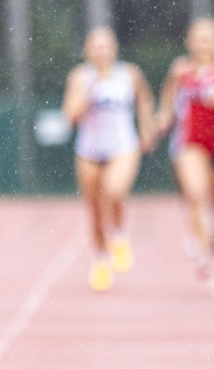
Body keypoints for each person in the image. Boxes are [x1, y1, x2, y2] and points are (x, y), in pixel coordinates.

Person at [62, 26, 154, 292]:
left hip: (122, 146)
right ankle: (101, 259)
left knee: (114, 191)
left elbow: (145, 100)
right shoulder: (80, 77)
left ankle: (120, 235)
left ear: (114, 48)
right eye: (96, 46)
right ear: (87, 51)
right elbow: (70, 116)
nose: (101, 51)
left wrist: (146, 128)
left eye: (106, 46)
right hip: (89, 150)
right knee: (93, 208)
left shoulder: (129, 74)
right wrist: (89, 91)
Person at [153, 17, 214, 277]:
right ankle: (203, 252)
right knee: (195, 193)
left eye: (209, 39)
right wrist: (161, 119)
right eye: (199, 39)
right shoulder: (180, 70)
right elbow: (168, 102)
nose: (204, 44)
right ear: (189, 42)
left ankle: (212, 238)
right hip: (191, 141)